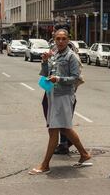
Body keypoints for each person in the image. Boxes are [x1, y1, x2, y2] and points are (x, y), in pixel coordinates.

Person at [29, 29, 91, 175]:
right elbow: (46, 74)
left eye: (64, 39)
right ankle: (84, 154)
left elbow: (76, 78)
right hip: (52, 94)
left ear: (68, 40)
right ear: (54, 40)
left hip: (63, 96)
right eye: (58, 39)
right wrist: (44, 62)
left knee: (54, 130)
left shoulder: (71, 57)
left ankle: (45, 165)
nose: (61, 41)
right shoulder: (54, 54)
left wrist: (59, 79)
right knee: (64, 128)